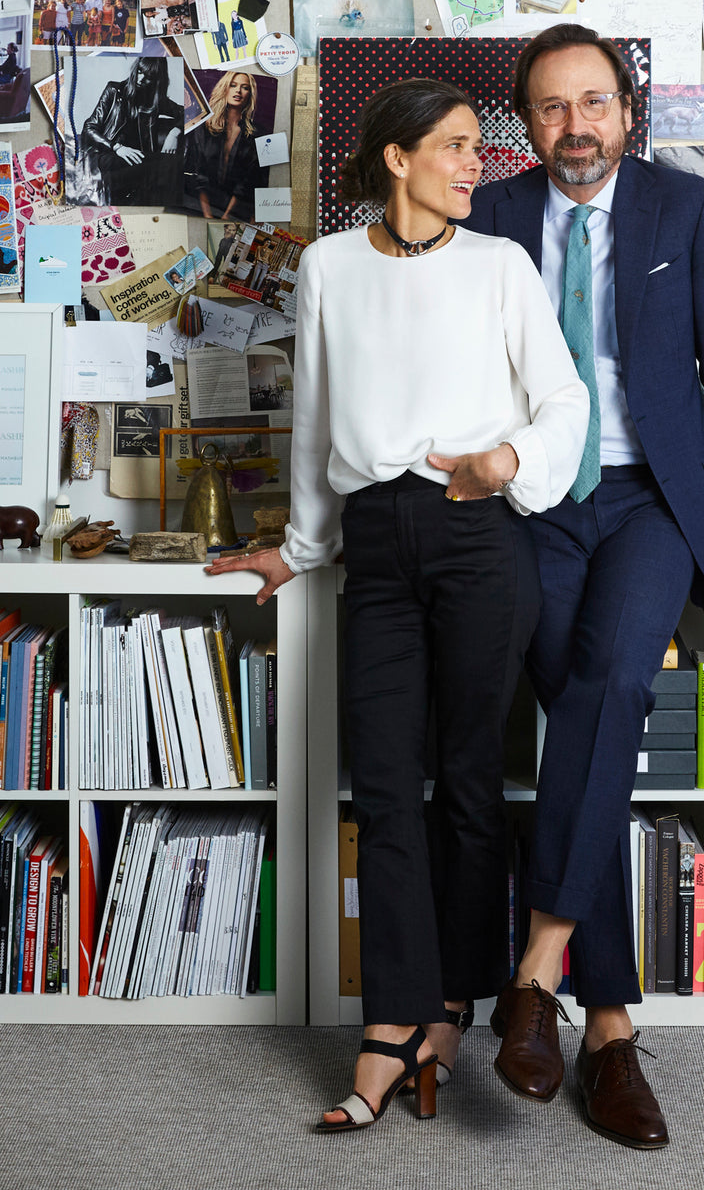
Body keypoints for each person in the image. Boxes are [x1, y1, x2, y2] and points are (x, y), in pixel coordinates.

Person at [206, 78, 589, 1134]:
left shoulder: (502, 267)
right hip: (376, 542)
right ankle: (390, 1025)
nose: (478, 164)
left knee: (468, 782)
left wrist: (508, 457)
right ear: (397, 158)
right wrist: (299, 549)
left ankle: (448, 1012)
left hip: (479, 535)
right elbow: (317, 417)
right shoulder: (328, 266)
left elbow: (567, 402)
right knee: (382, 785)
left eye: (477, 148)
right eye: (458, 148)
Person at [463, 23, 704, 1152]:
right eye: (551, 107)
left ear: (627, 112)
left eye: (594, 103)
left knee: (609, 687)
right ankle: (606, 1027)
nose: (575, 126)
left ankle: (536, 965)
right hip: (533, 504)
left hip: (651, 501)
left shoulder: (687, 213)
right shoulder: (488, 216)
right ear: (526, 121)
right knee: (586, 722)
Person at [77, 55, 182, 206]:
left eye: (149, 76)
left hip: (137, 156)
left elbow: (187, 112)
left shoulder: (154, 99)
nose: (140, 79)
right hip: (109, 154)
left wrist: (174, 133)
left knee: (172, 162)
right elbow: (89, 128)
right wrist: (117, 147)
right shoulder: (114, 90)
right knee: (164, 167)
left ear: (157, 79)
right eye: (140, 71)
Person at [182, 70, 265, 220]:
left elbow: (247, 182)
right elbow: (198, 174)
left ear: (250, 94)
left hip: (237, 211)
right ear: (224, 88)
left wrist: (227, 216)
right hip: (198, 208)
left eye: (245, 87)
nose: (238, 91)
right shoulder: (203, 127)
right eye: (233, 85)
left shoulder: (256, 134)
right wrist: (208, 215)